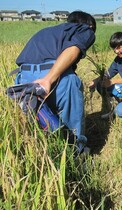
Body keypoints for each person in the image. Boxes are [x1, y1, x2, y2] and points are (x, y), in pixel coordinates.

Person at [13, 11, 96, 154]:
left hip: (24, 79)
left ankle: (45, 153)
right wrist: (48, 79)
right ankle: (76, 154)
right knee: (71, 119)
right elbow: (73, 49)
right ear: (89, 25)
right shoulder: (85, 30)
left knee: (42, 120)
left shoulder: (46, 31)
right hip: (53, 77)